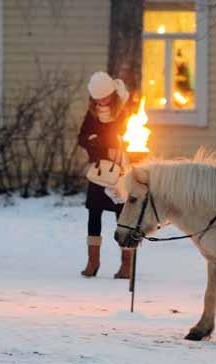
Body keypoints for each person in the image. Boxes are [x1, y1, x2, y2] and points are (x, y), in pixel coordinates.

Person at [78, 71, 135, 279]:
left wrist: (105, 142)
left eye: (105, 97)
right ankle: (93, 261)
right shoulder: (92, 113)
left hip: (120, 170)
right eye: (97, 98)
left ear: (112, 93)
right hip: (100, 170)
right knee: (94, 212)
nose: (101, 101)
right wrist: (93, 143)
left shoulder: (126, 110)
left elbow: (126, 138)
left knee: (123, 215)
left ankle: (127, 263)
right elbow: (82, 136)